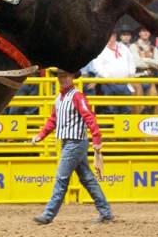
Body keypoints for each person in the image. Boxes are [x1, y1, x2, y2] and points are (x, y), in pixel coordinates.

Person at [31, 69, 112, 224]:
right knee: (87, 179)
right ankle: (106, 212)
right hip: (71, 142)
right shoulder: (60, 98)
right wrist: (40, 135)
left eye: (65, 75)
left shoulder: (76, 96)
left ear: (72, 77)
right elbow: (53, 121)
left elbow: (89, 117)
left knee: (62, 177)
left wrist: (97, 139)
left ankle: (48, 215)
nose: (62, 78)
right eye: (60, 76)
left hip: (75, 143)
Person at [92, 30, 136, 115]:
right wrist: (107, 77)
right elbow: (97, 66)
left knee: (126, 109)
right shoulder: (101, 49)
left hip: (125, 83)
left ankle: (123, 128)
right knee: (111, 109)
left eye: (111, 35)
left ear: (115, 36)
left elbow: (131, 61)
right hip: (109, 83)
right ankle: (112, 127)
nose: (110, 38)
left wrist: (131, 74)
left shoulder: (123, 47)